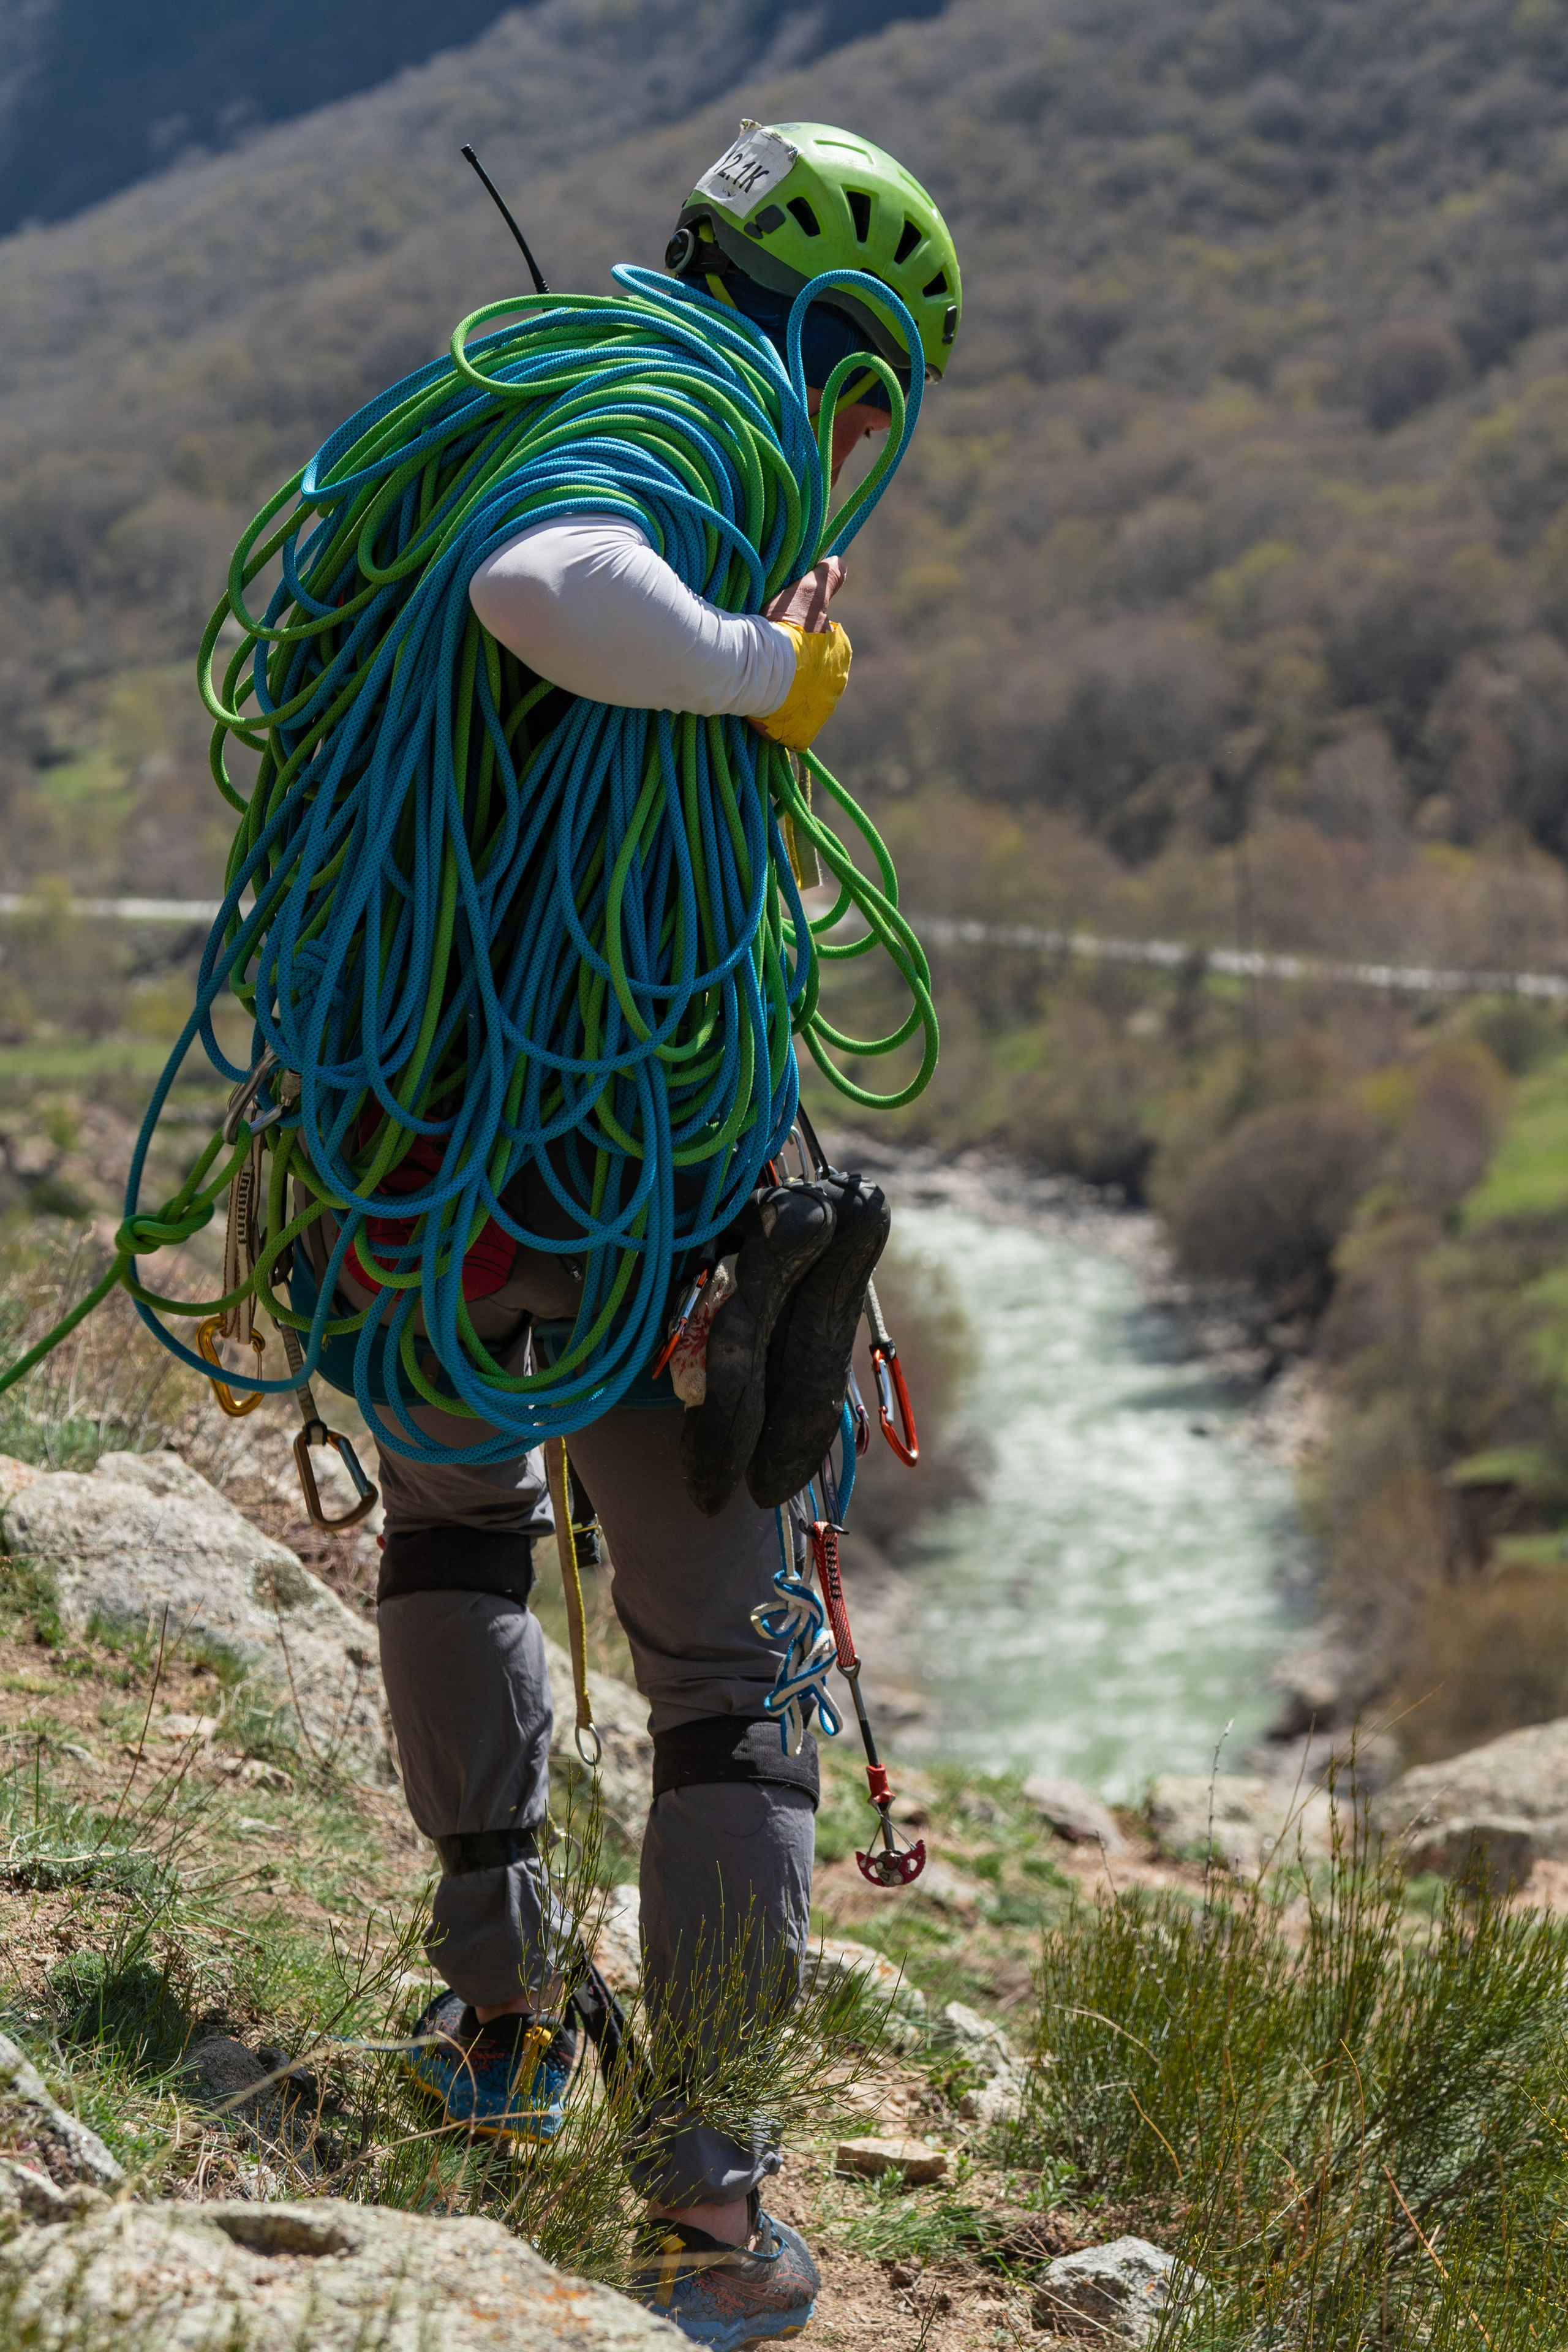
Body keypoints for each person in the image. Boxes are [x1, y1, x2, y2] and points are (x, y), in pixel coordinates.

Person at [366, 123, 961, 2351]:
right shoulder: (677, 414)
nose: (860, 435)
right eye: (872, 382)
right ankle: (713, 2203)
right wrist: (761, 681)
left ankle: (503, 2014)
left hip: (412, 1150)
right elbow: (551, 585)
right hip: (616, 1172)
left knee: (457, 1527)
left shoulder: (516, 385)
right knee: (731, 1685)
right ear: (836, 334)